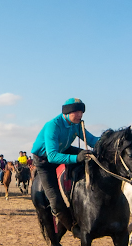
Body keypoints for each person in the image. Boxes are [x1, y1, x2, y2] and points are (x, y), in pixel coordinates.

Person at [31, 98, 100, 231]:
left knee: (91, 156)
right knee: (55, 202)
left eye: (81, 112)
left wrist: (110, 140)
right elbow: (52, 156)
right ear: (67, 112)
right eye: (76, 112)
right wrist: (76, 158)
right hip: (44, 161)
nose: (80, 115)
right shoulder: (53, 125)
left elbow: (92, 141)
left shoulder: (77, 124)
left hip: (63, 150)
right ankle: (74, 228)